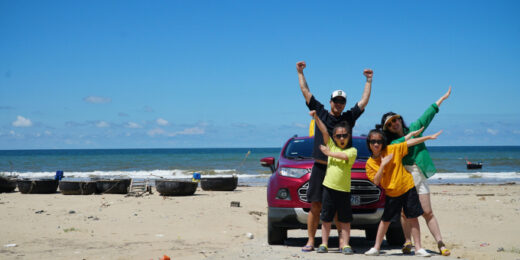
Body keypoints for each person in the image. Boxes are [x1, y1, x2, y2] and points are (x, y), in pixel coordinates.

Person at [296, 61, 373, 252]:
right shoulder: (321, 112)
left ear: (344, 104)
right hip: (321, 166)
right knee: (315, 206)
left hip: (339, 169)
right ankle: (311, 241)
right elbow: (306, 92)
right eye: (335, 101)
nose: (338, 104)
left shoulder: (348, 117)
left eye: (342, 101)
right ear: (330, 102)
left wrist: (368, 81)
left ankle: (341, 243)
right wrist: (300, 72)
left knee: (339, 209)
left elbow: (363, 102)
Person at [379, 87, 451, 256]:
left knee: (427, 211)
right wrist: (416, 135)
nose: (393, 124)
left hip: (419, 173)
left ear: (399, 119)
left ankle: (440, 243)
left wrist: (442, 98)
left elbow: (428, 114)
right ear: (387, 129)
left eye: (395, 120)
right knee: (405, 212)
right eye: (389, 124)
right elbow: (404, 143)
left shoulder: (415, 126)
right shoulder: (393, 142)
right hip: (404, 176)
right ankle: (408, 241)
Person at [364, 128, 442, 257]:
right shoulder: (370, 163)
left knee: (413, 217)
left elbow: (410, 143)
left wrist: (427, 138)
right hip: (391, 193)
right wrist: (383, 165)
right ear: (369, 143)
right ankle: (376, 248)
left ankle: (418, 248)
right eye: (373, 141)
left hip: (407, 187)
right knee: (385, 220)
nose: (376, 144)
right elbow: (376, 182)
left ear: (383, 142)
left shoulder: (392, 149)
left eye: (379, 141)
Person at [309, 110, 357, 254]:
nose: (341, 138)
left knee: (345, 219)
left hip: (344, 190)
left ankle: (346, 244)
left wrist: (329, 153)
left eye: (344, 135)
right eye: (338, 136)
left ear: (349, 136)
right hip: (328, 189)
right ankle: (324, 244)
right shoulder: (332, 144)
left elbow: (343, 156)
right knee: (326, 218)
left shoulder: (352, 151)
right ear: (334, 137)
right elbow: (324, 131)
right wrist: (317, 117)